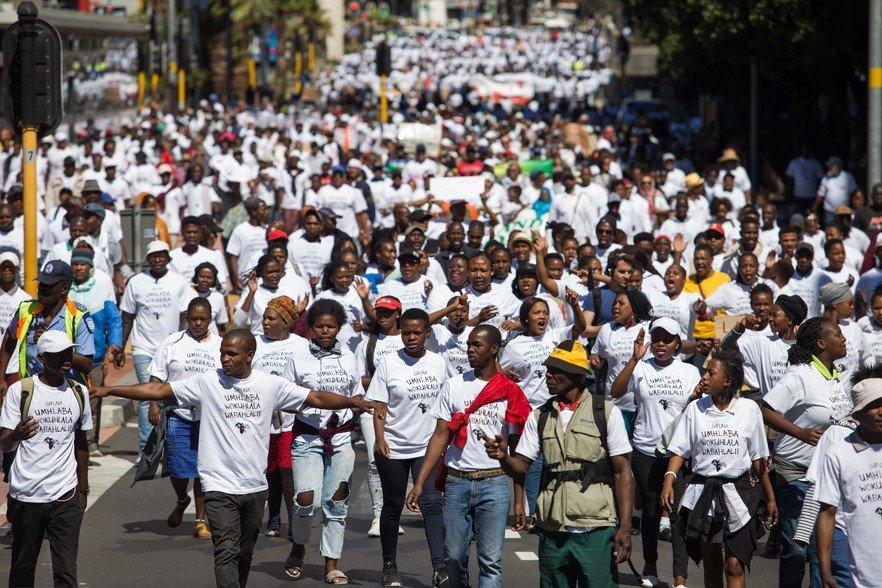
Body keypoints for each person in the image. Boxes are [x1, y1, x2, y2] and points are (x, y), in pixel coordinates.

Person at [90, 329, 385, 588]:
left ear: (250, 355)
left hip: (255, 488)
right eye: (222, 353)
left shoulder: (270, 385)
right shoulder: (206, 382)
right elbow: (158, 389)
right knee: (226, 550)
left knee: (244, 552)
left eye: (232, 354)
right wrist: (110, 389)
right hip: (218, 485)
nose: (224, 359)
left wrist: (353, 401)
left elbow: (316, 398)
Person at [484, 338, 634, 588]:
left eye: (555, 370)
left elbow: (622, 473)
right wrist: (504, 457)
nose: (548, 375)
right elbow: (522, 465)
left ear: (576, 375)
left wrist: (625, 529)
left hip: (595, 528)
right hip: (552, 529)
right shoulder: (539, 416)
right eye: (548, 369)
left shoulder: (606, 413)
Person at [406, 325, 532, 588]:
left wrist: (519, 501)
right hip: (456, 483)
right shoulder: (454, 385)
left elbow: (518, 452)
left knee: (491, 562)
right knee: (453, 557)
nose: (470, 350)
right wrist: (419, 482)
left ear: (495, 348)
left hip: (494, 483)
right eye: (469, 345)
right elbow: (440, 435)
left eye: (477, 345)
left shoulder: (511, 391)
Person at [661, 350, 778, 588]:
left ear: (727, 381)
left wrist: (771, 498)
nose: (704, 376)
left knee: (734, 564)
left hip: (741, 493)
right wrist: (669, 479)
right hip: (704, 494)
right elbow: (680, 450)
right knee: (712, 563)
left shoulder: (748, 409)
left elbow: (758, 458)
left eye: (711, 372)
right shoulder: (696, 409)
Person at [761, 316, 850, 587]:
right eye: (837, 334)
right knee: (798, 550)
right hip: (795, 474)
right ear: (822, 343)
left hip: (825, 476)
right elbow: (765, 409)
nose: (844, 338)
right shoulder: (799, 375)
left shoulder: (837, 377)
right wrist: (799, 433)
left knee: (818, 549)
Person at [611, 318, 699, 588]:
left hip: (678, 451)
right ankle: (650, 565)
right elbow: (615, 392)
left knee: (677, 515)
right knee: (650, 513)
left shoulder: (690, 372)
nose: (661, 344)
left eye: (668, 339)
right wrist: (634, 360)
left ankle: (680, 576)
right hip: (645, 450)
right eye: (657, 339)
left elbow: (696, 409)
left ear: (677, 343)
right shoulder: (641, 368)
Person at [1, 331, 92, 588]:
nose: (67, 359)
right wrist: (17, 434)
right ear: (42, 357)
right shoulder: (21, 391)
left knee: (65, 571)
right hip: (27, 496)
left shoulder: (79, 392)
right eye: (59, 355)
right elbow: (4, 443)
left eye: (68, 353)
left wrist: (82, 489)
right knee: (22, 568)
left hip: (65, 495)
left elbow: (81, 443)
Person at [365, 308, 448, 587]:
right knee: (393, 505)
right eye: (407, 332)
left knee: (432, 503)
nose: (411, 337)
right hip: (395, 445)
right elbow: (379, 405)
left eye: (417, 332)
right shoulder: (389, 363)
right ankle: (389, 565)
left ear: (427, 333)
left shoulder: (438, 362)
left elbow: (446, 405)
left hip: (428, 445)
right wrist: (380, 439)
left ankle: (440, 567)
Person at [284, 299, 360, 585]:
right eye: (319, 326)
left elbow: (357, 397)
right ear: (311, 328)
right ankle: (299, 545)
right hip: (307, 437)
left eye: (330, 326)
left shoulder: (350, 357)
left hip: (341, 439)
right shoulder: (298, 357)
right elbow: (288, 396)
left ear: (339, 328)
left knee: (336, 502)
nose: (325, 331)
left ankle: (331, 564)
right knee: (307, 500)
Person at [499, 288, 586, 520]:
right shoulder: (514, 346)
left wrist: (575, 305)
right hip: (527, 412)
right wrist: (504, 373)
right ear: (526, 318)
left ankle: (549, 507)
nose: (542, 317)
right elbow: (496, 369)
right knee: (532, 462)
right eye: (536, 313)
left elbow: (581, 328)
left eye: (545, 313)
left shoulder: (555, 337)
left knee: (552, 459)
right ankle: (533, 508)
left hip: (554, 409)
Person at [148, 297, 221, 540]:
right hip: (178, 413)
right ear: (186, 319)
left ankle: (200, 521)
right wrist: (153, 405)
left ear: (210, 320)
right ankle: (182, 499)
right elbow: (157, 376)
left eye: (203, 319)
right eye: (193, 319)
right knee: (179, 469)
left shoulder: (219, 345)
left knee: (203, 469)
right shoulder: (172, 342)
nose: (198, 323)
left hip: (210, 417)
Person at [119, 240, 194, 449]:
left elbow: (185, 315)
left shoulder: (178, 282)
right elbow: (127, 317)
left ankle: (168, 444)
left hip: (171, 348)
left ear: (168, 258)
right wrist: (120, 346)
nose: (158, 259)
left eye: (162, 255)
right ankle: (147, 449)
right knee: (147, 397)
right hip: (143, 347)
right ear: (147, 259)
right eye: (153, 256)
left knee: (168, 398)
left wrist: (183, 342)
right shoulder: (136, 282)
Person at [816, 366, 882, 588]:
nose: (881, 411)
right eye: (873, 406)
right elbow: (827, 513)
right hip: (864, 571)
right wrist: (825, 571)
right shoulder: (839, 453)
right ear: (857, 415)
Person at [250, 295, 308, 540]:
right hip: (260, 419)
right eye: (264, 317)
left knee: (287, 469)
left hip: (290, 419)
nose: (265, 322)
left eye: (271, 318)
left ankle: (295, 521)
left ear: (285, 323)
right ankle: (273, 516)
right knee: (269, 471)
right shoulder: (254, 343)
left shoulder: (300, 345)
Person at [0, 260, 94, 391]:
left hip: (66, 392)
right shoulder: (25, 309)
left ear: (64, 288)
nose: (41, 288)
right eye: (41, 282)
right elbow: (9, 339)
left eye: (48, 285)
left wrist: (54, 346)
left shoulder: (78, 316)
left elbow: (87, 365)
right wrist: (1, 378)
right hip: (32, 391)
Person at [355, 295, 405, 537]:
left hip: (404, 409)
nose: (384, 315)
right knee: (376, 460)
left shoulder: (410, 339)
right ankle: (378, 515)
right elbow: (358, 379)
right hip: (373, 408)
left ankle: (394, 513)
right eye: (380, 312)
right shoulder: (367, 344)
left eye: (389, 311)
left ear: (398, 313)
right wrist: (381, 381)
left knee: (398, 461)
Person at [68, 247, 124, 457]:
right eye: (75, 264)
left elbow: (113, 319)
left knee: (93, 399)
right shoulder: (66, 288)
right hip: (68, 357)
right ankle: (72, 443)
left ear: (90, 267)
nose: (79, 267)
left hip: (95, 357)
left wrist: (115, 344)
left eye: (83, 264)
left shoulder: (101, 287)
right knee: (71, 400)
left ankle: (91, 443)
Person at [590, 287, 655, 430]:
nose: (615, 307)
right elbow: (597, 354)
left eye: (621, 303)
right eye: (614, 303)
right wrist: (595, 359)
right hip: (615, 402)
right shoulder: (607, 329)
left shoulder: (649, 328)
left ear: (634, 307)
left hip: (643, 402)